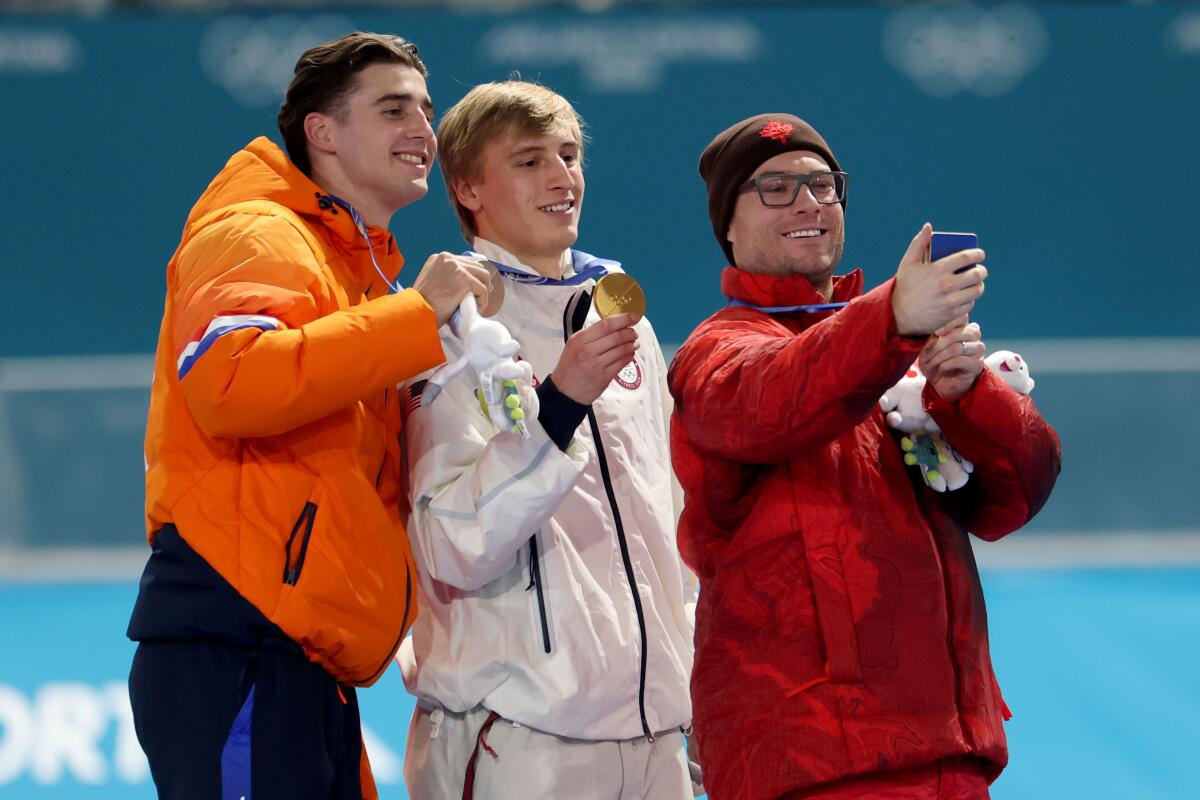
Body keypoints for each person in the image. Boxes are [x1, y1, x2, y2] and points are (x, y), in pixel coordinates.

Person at [126, 32, 494, 800]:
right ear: (322, 133)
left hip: (297, 655)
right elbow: (230, 384)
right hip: (238, 643)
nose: (423, 130)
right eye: (393, 110)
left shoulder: (345, 266)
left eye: (426, 111)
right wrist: (413, 319)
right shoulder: (259, 232)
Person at [668, 113, 1062, 800]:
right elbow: (778, 396)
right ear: (726, 225)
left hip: (948, 753)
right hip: (814, 761)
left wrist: (967, 396)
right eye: (775, 188)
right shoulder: (717, 352)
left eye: (823, 185)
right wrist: (894, 318)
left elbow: (1014, 500)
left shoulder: (892, 360)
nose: (808, 203)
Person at [398, 80, 697, 799]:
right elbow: (448, 544)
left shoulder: (626, 320)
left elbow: (673, 526)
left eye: (569, 156)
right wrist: (556, 407)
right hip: (519, 737)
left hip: (656, 734)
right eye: (530, 161)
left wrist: (693, 689)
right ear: (467, 187)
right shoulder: (444, 332)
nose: (562, 178)